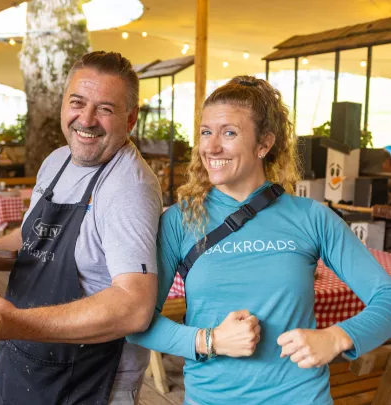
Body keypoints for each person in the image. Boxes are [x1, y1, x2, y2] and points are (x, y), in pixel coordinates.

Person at [127, 75, 391, 405]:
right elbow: (134, 322)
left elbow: (387, 296)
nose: (211, 146)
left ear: (263, 144)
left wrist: (338, 338)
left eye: (229, 133)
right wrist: (209, 341)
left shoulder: (311, 216)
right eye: (206, 132)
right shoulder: (179, 221)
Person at [0, 51, 162, 405]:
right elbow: (34, 238)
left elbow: (133, 306)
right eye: (77, 102)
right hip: (25, 354)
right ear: (64, 104)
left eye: (105, 109)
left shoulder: (129, 187)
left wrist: (16, 323)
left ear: (131, 118)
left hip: (86, 376)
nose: (87, 119)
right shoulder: (57, 161)